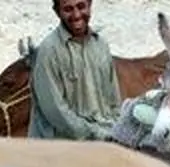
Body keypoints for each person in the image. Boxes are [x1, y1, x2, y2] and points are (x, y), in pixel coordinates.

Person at [28, 0, 121, 141]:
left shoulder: (101, 45)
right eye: (68, 9)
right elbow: (55, 111)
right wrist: (96, 134)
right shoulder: (49, 51)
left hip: (101, 140)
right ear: (57, 12)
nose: (76, 15)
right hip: (61, 147)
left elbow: (113, 98)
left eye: (81, 6)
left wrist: (115, 129)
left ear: (90, 5)